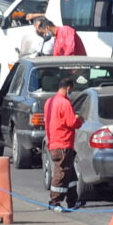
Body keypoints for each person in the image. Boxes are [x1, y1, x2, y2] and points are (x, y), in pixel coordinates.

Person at [45, 77, 84, 209]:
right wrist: (80, 120)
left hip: (54, 142)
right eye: (71, 89)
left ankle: (73, 200)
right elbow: (72, 122)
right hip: (63, 143)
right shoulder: (64, 103)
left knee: (70, 174)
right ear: (68, 88)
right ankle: (54, 201)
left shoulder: (50, 102)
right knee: (61, 173)